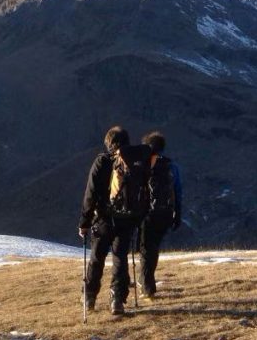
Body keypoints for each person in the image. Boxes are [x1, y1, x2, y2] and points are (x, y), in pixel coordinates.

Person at [78, 126, 151, 315]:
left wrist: (84, 222)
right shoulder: (135, 161)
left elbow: (90, 194)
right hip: (127, 218)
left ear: (109, 143)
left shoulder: (101, 162)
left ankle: (89, 297)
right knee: (120, 258)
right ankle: (117, 299)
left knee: (97, 258)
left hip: (102, 218)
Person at [137, 131, 183, 299]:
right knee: (153, 247)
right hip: (165, 213)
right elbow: (178, 192)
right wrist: (177, 214)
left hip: (147, 213)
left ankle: (147, 286)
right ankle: (147, 281)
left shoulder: (144, 165)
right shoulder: (172, 167)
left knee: (145, 248)